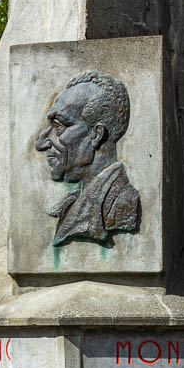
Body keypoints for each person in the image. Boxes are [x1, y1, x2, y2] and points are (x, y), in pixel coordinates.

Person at [35, 70, 140, 246]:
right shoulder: (72, 202)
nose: (43, 142)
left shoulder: (123, 205)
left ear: (96, 134)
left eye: (58, 126)